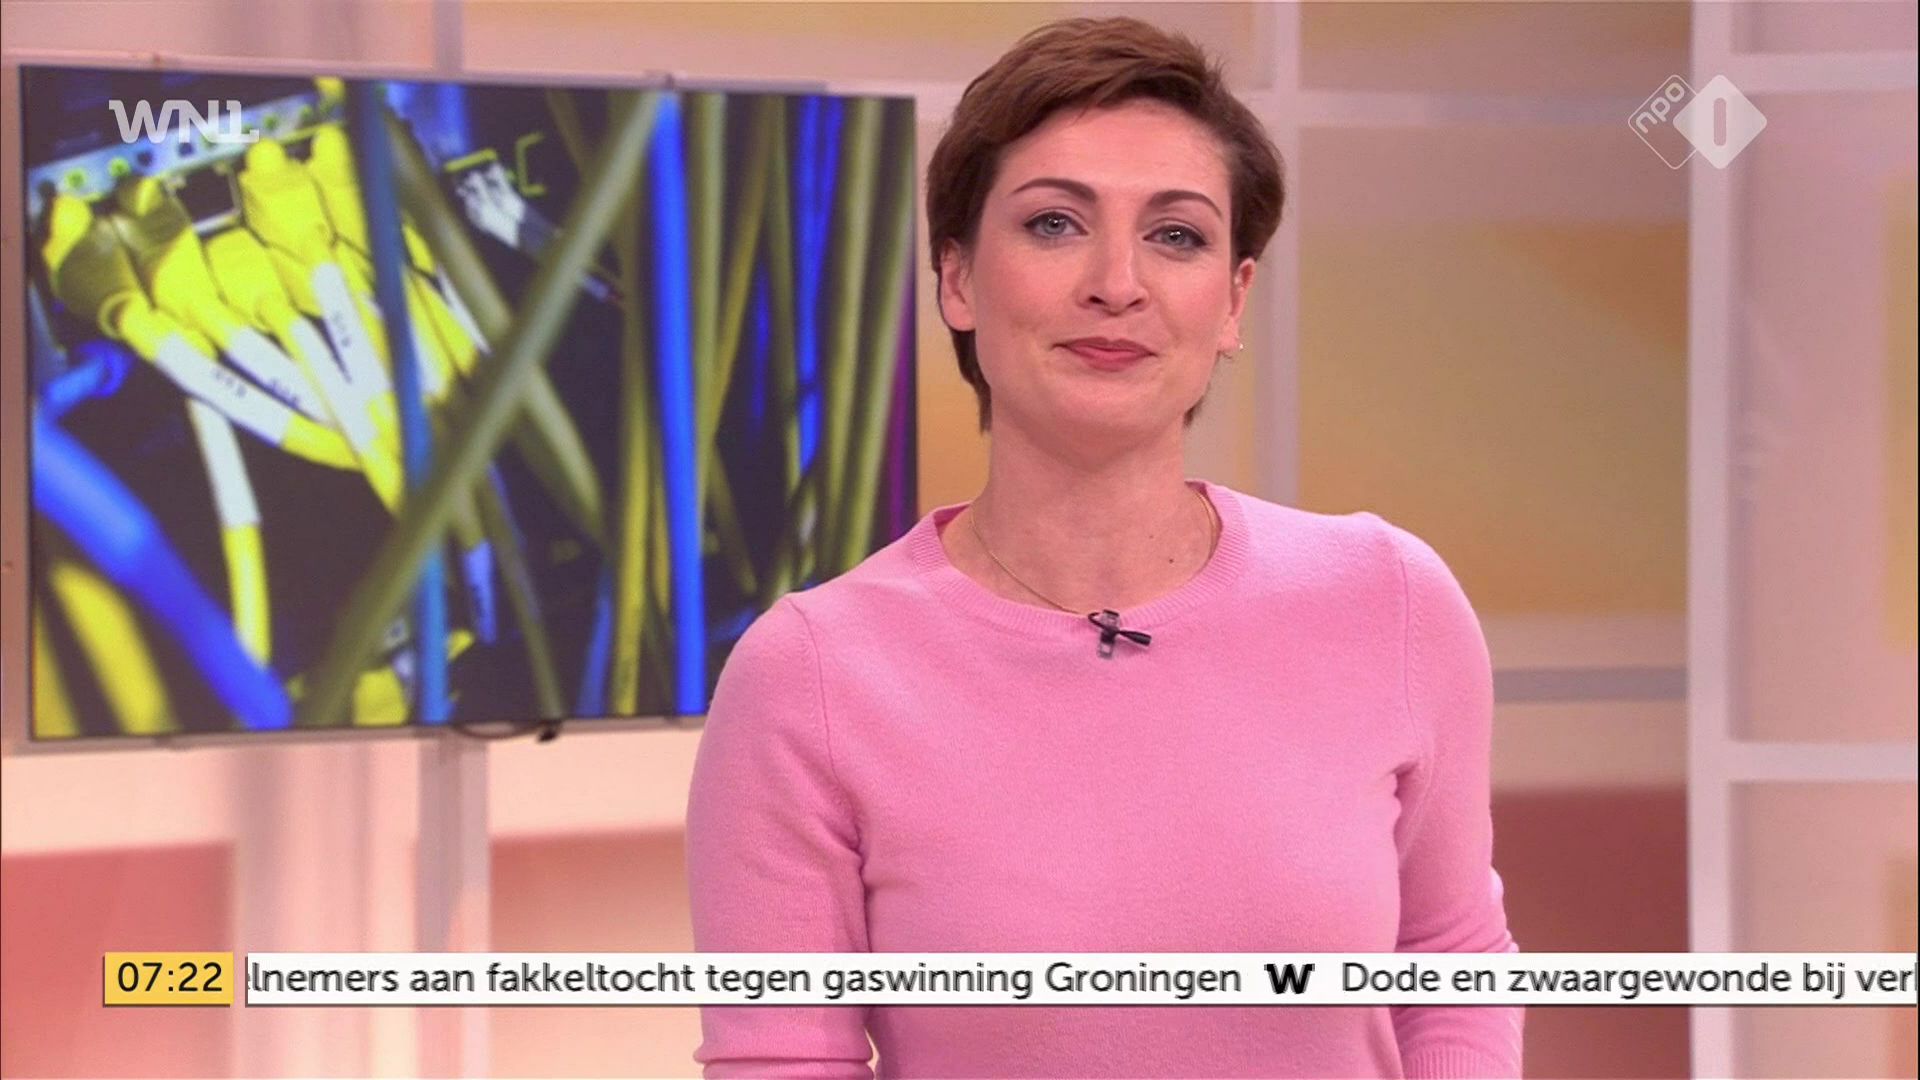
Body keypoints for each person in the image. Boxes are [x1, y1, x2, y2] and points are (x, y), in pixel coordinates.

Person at [685, 16, 1523, 1078]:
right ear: (956, 280)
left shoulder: (1387, 597)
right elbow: (782, 1059)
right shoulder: (810, 673)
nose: (1117, 283)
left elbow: (1450, 961)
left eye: (1176, 236)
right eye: (1054, 224)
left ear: (1233, 300)